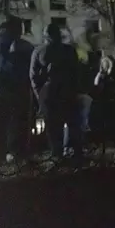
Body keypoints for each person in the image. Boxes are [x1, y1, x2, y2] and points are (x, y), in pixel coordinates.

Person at [30, 22, 80, 159]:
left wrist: (39, 95)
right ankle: (74, 152)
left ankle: (57, 155)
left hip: (50, 93)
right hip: (66, 92)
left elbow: (33, 77)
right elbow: (77, 72)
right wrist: (75, 90)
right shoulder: (69, 50)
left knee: (53, 127)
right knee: (71, 123)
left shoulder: (39, 51)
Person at [0, 19, 33, 162]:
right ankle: (16, 152)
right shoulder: (22, 45)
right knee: (17, 120)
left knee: (1, 120)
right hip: (18, 87)